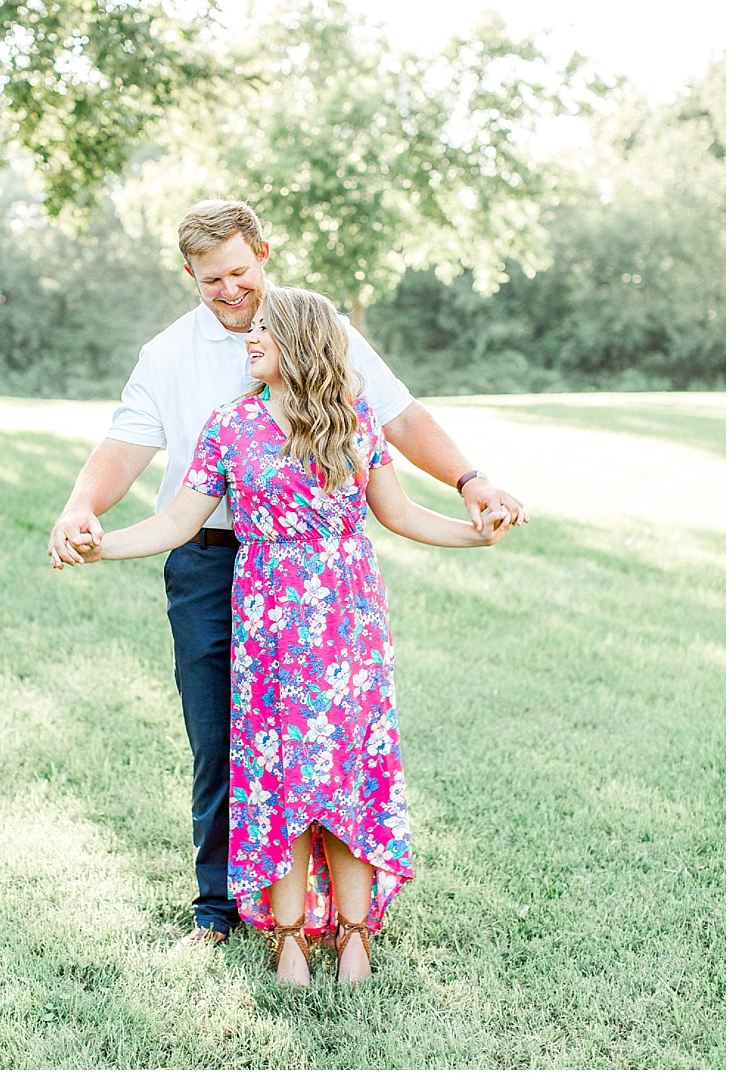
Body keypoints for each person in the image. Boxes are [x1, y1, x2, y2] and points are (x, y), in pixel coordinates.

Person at [47, 199, 527, 950]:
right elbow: (123, 448)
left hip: (326, 581)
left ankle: (331, 914)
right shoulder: (169, 356)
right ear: (189, 274)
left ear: (263, 254)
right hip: (213, 557)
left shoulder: (318, 326)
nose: (229, 290)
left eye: (239, 272)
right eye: (211, 279)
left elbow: (399, 420)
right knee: (221, 738)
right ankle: (221, 909)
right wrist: (82, 511)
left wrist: (471, 482)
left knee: (331, 741)